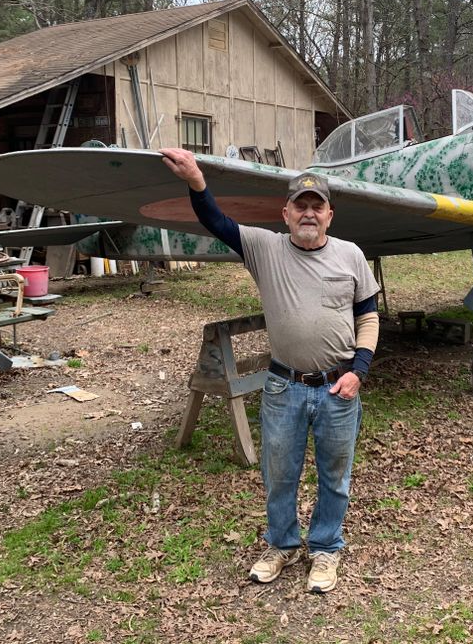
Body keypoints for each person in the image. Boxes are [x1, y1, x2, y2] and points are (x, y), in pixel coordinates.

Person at [160, 147, 380, 594]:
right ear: (286, 212)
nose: (309, 213)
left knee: (334, 475)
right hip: (284, 386)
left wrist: (359, 368)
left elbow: (369, 316)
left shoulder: (351, 255)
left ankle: (325, 548)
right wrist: (197, 181)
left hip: (339, 386)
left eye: (317, 206)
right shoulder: (265, 248)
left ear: (330, 215)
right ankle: (282, 544)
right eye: (300, 205)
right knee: (280, 474)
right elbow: (216, 223)